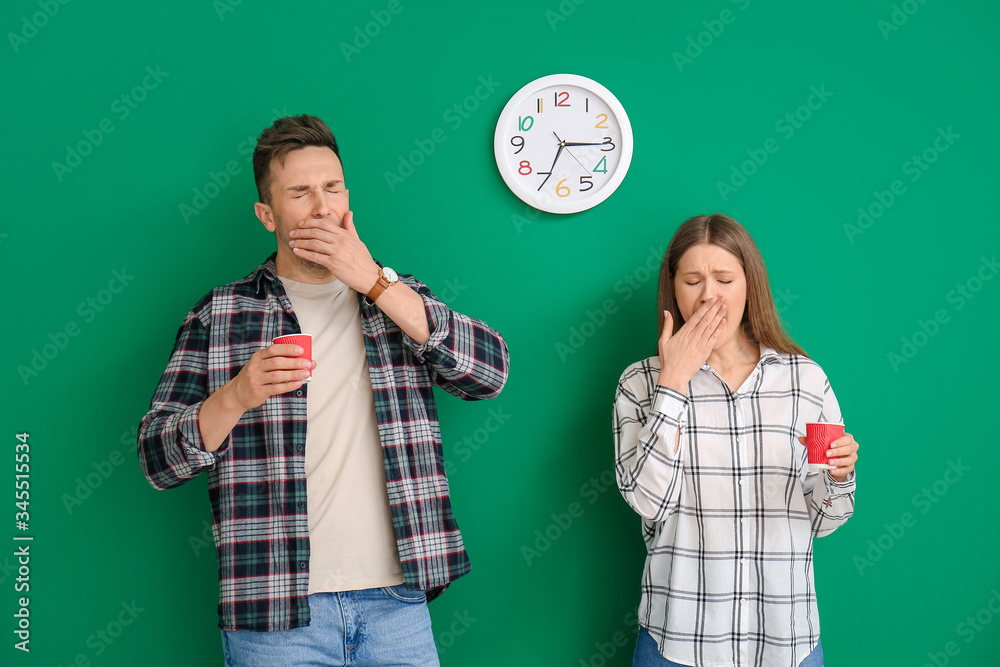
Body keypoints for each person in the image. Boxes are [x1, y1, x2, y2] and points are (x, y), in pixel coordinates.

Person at [138, 115, 509, 666]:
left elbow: (489, 374)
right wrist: (236, 395)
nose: (321, 206)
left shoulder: (396, 301)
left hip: (397, 603)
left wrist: (376, 281)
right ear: (267, 214)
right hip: (274, 614)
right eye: (300, 193)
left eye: (332, 188)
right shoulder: (221, 313)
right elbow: (157, 460)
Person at [613, 214, 858, 667]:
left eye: (724, 278)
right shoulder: (640, 383)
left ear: (750, 286)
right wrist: (674, 382)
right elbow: (648, 501)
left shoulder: (804, 379)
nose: (709, 294)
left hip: (787, 642)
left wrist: (839, 477)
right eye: (693, 280)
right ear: (674, 292)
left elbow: (826, 519)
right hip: (679, 641)